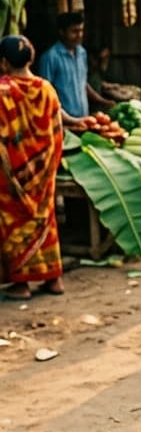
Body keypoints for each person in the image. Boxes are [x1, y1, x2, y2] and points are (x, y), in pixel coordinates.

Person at [0, 35, 64, 299]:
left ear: (4, 63)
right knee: (45, 220)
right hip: (42, 171)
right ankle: (53, 278)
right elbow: (57, 126)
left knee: (14, 222)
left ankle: (22, 283)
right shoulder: (46, 87)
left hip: (13, 173)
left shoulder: (2, 90)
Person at [36, 11, 111, 127]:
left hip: (84, 120)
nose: (79, 35)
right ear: (62, 32)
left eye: (81, 30)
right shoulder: (50, 57)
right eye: (74, 31)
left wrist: (103, 101)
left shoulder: (82, 53)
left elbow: (83, 84)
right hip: (61, 123)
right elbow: (45, 94)